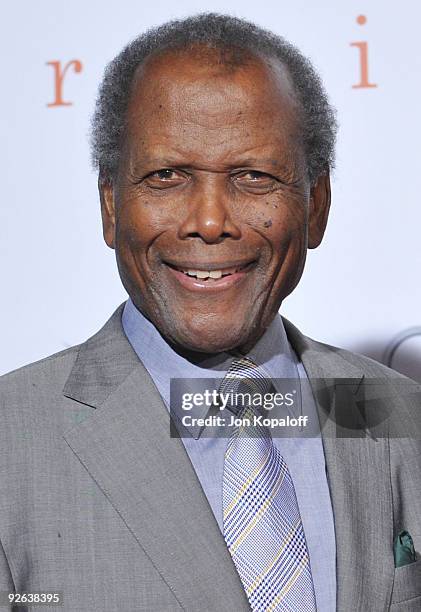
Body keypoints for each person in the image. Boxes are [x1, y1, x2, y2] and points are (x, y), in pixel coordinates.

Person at [1, 13, 420, 612]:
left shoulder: (395, 414)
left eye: (254, 177)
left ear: (317, 206)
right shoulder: (10, 441)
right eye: (166, 176)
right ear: (111, 206)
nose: (209, 220)